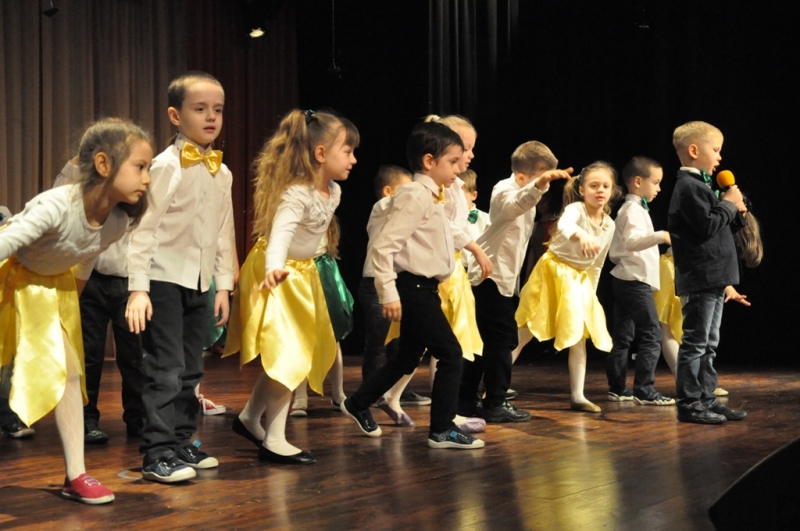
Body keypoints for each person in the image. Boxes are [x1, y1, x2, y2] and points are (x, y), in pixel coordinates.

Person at [0, 118, 153, 504]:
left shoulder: (116, 222)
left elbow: (84, 257)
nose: (147, 178)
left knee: (69, 375)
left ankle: (76, 474)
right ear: (103, 164)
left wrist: (66, 304)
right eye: (139, 167)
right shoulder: (56, 205)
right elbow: (7, 242)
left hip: (47, 288)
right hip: (8, 281)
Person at [225, 109, 358, 465]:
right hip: (277, 271)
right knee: (289, 353)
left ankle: (250, 418)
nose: (353, 160)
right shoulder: (297, 193)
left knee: (289, 351)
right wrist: (274, 269)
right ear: (320, 154)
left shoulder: (333, 191)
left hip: (302, 273)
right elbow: (280, 236)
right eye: (347, 151)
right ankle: (275, 439)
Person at [341, 121, 485, 449]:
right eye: (452, 162)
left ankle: (358, 402)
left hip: (425, 288)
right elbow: (384, 247)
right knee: (451, 354)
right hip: (413, 288)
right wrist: (389, 292)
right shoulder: (414, 195)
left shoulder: (433, 196)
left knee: (406, 358)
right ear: (429, 161)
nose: (457, 169)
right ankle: (442, 429)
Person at [126, 71, 235, 482]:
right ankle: (156, 452)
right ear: (175, 115)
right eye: (200, 109)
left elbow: (223, 232)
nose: (211, 117)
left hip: (199, 281)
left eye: (217, 110)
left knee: (192, 368)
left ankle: (181, 441)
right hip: (163, 279)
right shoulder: (166, 166)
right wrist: (138, 288)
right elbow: (143, 229)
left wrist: (223, 285)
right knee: (165, 368)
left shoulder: (221, 173)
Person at [458, 141, 571, 422]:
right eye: (541, 178)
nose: (545, 187)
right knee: (501, 341)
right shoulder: (504, 190)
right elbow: (513, 206)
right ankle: (494, 403)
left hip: (501, 279)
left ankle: (466, 400)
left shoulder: (525, 196)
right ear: (522, 177)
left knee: (487, 342)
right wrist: (539, 185)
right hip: (489, 278)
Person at [53, 157, 147, 443]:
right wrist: (74, 164)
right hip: (90, 279)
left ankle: (138, 418)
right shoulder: (93, 185)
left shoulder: (138, 189)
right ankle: (86, 419)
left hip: (130, 283)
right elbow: (61, 194)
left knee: (133, 356)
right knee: (89, 354)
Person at [515, 161, 621, 413]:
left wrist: (590, 295)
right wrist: (581, 235)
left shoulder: (609, 224)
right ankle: (493, 385)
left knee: (578, 335)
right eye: (594, 185)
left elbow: (597, 264)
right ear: (582, 190)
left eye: (605, 186)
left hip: (578, 280)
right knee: (526, 330)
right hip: (553, 272)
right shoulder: (576, 210)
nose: (600, 190)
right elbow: (565, 225)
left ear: (612, 190)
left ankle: (578, 395)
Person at [667, 121, 748, 424]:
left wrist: (735, 208)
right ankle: (689, 403)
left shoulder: (702, 186)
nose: (719, 157)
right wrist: (727, 205)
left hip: (713, 277)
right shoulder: (688, 187)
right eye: (715, 150)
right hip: (700, 277)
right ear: (693, 150)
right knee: (696, 343)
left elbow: (719, 226)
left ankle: (707, 398)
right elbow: (706, 226)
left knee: (709, 344)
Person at [606, 157, 674, 406]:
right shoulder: (632, 210)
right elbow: (632, 242)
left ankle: (618, 388)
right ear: (637, 181)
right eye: (655, 182)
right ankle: (644, 389)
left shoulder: (635, 209)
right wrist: (662, 235)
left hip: (627, 278)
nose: (658, 188)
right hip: (634, 280)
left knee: (623, 336)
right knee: (651, 333)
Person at [290, 216, 350, 416]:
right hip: (299, 270)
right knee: (301, 334)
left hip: (324, 269)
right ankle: (300, 397)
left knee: (332, 334)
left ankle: (338, 394)